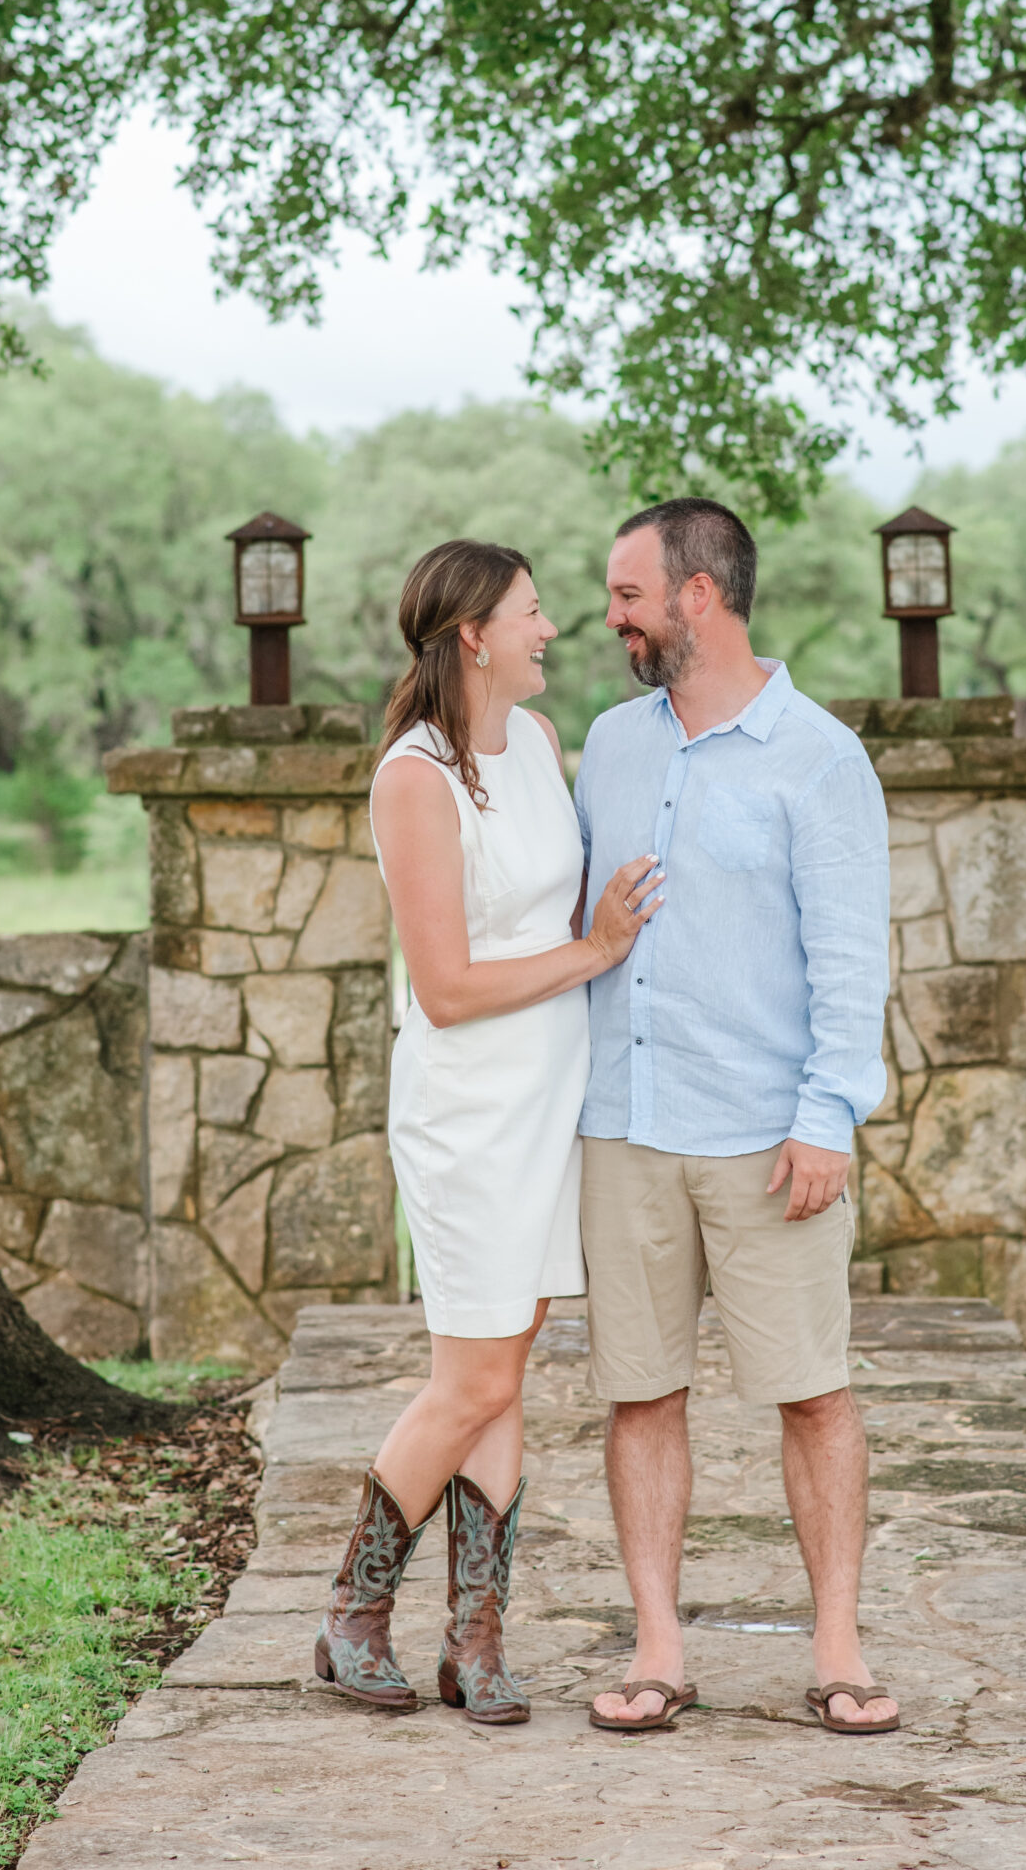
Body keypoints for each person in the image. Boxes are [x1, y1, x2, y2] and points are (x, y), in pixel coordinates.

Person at [314, 537, 660, 1723]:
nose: (549, 625)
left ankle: (476, 1640)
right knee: (469, 1376)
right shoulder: (413, 776)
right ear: (472, 634)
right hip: (466, 1113)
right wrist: (596, 950)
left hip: (546, 1103)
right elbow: (449, 984)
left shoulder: (541, 746)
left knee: (505, 1372)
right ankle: (351, 1612)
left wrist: (597, 941)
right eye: (528, 611)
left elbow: (547, 912)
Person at [575, 498, 900, 1737]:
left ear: (695, 595)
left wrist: (827, 1115)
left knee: (810, 1391)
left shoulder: (818, 757)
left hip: (772, 1138)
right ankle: (659, 1648)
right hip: (626, 1124)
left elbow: (848, 958)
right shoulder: (608, 743)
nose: (610, 619)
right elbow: (579, 926)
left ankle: (836, 1649)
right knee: (639, 1393)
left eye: (625, 596)